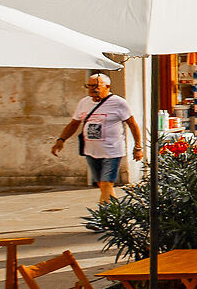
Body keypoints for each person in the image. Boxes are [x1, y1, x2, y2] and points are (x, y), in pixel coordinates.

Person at [51, 73, 143, 202]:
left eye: (95, 86)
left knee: (106, 183)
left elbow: (132, 124)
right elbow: (74, 123)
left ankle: (104, 214)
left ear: (107, 86)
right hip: (91, 151)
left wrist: (138, 147)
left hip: (112, 151)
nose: (91, 89)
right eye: (89, 86)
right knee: (102, 184)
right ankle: (114, 210)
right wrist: (61, 140)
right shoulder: (84, 102)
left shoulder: (118, 102)